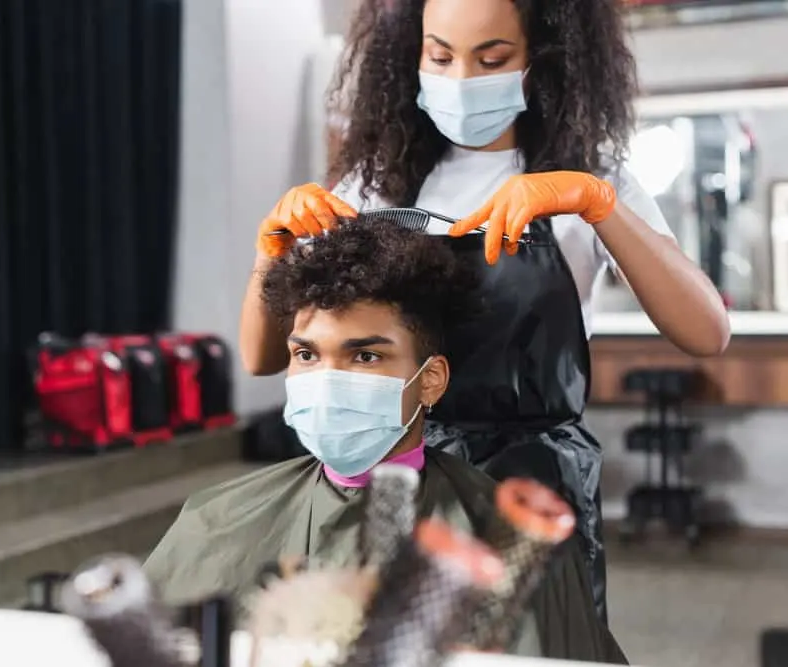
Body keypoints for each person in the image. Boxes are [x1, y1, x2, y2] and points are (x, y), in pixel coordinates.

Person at [238, 0, 730, 622]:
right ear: (410, 54)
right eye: (439, 56)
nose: (462, 80)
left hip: (528, 489)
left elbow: (706, 331)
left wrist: (594, 202)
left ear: (539, 61)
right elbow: (261, 357)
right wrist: (270, 249)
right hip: (392, 475)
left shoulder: (592, 180)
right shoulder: (376, 185)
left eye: (492, 58)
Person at [144, 221, 625, 663]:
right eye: (307, 354)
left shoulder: (508, 554)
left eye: (366, 356)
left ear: (431, 380)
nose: (327, 380)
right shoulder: (215, 522)